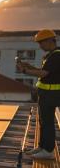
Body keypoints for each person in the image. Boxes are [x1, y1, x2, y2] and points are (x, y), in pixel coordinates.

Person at [17, 29, 60, 160]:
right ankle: (42, 147)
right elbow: (44, 72)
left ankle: (48, 151)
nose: (40, 46)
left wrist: (25, 70)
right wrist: (29, 66)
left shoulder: (56, 56)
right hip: (46, 93)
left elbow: (43, 74)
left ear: (49, 41)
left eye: (41, 43)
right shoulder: (50, 55)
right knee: (43, 121)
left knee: (47, 122)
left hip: (51, 94)